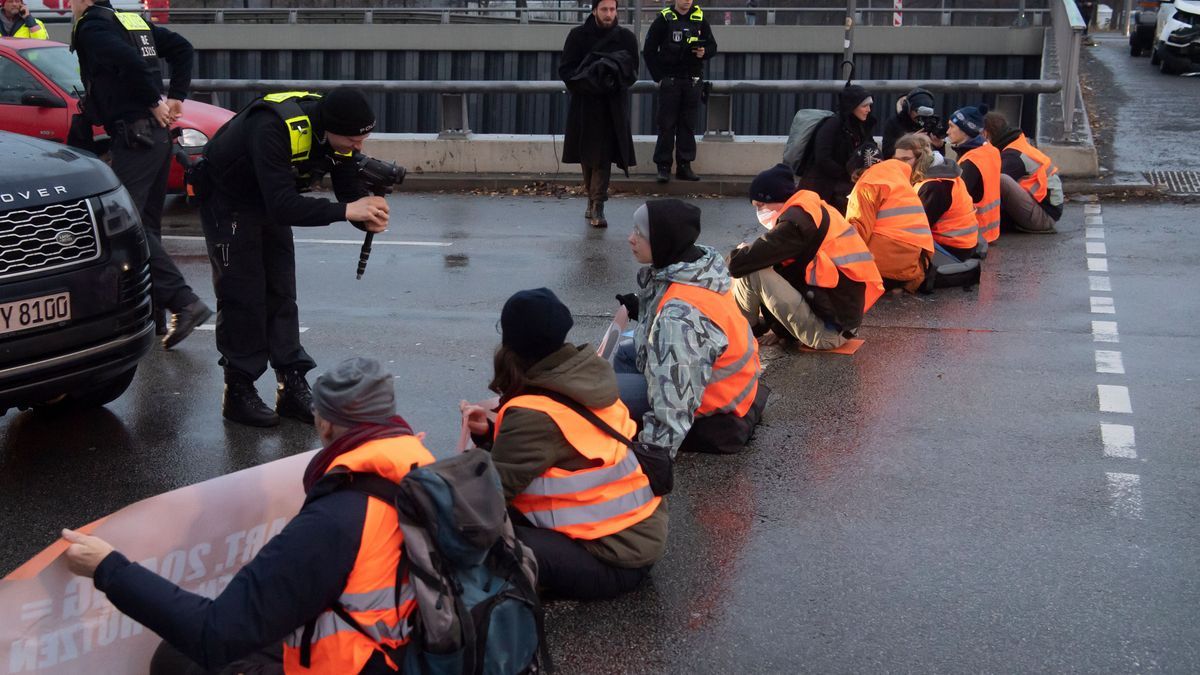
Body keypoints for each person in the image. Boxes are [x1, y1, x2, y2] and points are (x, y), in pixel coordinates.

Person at [60, 357, 437, 675]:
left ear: (324, 423)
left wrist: (107, 568)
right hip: (408, 652)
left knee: (176, 659)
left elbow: (214, 635)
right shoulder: (422, 472)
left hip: (356, 663)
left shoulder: (336, 519)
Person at [197, 88, 389, 427]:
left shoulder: (335, 138)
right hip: (229, 199)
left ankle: (291, 386)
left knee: (282, 290)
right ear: (330, 127)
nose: (358, 146)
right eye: (352, 138)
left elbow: (347, 191)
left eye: (364, 138)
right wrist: (348, 210)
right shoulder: (272, 127)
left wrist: (367, 213)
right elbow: (284, 205)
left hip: (270, 197)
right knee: (243, 295)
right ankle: (238, 390)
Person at [461, 288, 667, 600]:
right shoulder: (585, 377)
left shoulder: (534, 414)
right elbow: (559, 454)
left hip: (611, 559)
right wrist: (488, 435)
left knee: (470, 536)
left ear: (511, 345)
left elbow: (489, 496)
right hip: (637, 537)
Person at [69, 0, 211, 349]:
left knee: (125, 225)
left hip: (136, 137)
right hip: (156, 138)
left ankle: (183, 301)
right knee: (147, 226)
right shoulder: (130, 19)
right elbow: (181, 47)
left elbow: (129, 63)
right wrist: (175, 95)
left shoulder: (92, 26)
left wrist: (155, 100)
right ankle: (156, 315)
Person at [613, 199, 768, 456]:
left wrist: (651, 459)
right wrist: (643, 310)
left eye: (640, 233)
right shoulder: (697, 270)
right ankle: (625, 422)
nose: (631, 238)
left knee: (601, 393)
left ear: (664, 241)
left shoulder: (678, 318)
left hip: (709, 402)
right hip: (729, 385)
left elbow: (675, 405)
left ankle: (617, 427)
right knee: (624, 353)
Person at [729, 163, 884, 351]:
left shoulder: (795, 225)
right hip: (839, 323)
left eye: (761, 205)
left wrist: (743, 251)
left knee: (752, 271)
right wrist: (781, 331)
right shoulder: (812, 210)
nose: (759, 212)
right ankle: (759, 328)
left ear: (778, 198)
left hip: (827, 334)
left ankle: (743, 331)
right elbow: (792, 276)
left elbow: (738, 264)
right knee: (760, 263)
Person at [558, 0, 638, 228]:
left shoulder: (626, 38)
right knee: (587, 156)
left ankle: (598, 205)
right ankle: (591, 199)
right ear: (594, 10)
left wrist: (612, 76)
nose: (609, 14)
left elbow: (632, 72)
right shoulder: (577, 36)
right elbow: (566, 70)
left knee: (603, 156)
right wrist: (589, 79)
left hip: (611, 106)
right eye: (604, 9)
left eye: (612, 9)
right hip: (584, 105)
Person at [642, 0, 717, 183]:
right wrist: (659, 78)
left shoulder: (699, 19)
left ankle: (685, 166)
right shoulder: (664, 19)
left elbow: (712, 47)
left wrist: (703, 52)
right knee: (666, 125)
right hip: (671, 80)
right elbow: (649, 50)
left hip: (692, 80)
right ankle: (663, 167)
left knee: (687, 125)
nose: (687, 1)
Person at [845, 146, 935, 292]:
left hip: (884, 266)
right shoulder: (899, 182)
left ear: (856, 173)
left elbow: (859, 231)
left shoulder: (867, 184)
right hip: (914, 263)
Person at [894, 133, 980, 261]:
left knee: (891, 246)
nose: (899, 165)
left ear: (920, 159)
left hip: (952, 248)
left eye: (906, 159)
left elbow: (915, 228)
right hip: (962, 243)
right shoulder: (942, 172)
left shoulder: (934, 186)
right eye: (897, 159)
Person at [799, 81, 876, 213]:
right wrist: (848, 174)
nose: (868, 110)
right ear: (853, 106)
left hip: (843, 181)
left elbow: (870, 148)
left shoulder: (861, 126)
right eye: (864, 106)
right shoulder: (832, 125)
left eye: (869, 105)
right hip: (823, 187)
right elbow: (823, 159)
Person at [983, 111, 1063, 234]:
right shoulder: (1015, 144)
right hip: (1045, 210)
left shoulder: (1013, 156)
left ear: (986, 133)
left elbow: (986, 187)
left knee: (999, 180)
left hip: (1043, 217)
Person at [947, 104, 1002, 247]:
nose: (948, 131)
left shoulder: (971, 161)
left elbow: (954, 199)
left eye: (952, 126)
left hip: (971, 234)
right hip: (990, 230)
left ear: (966, 130)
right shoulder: (990, 150)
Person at [881, 87, 944, 160]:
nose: (921, 117)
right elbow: (887, 154)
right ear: (908, 108)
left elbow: (940, 160)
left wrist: (940, 146)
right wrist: (910, 141)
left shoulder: (931, 123)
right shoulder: (895, 122)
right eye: (917, 112)